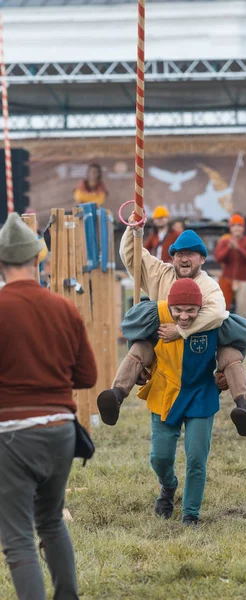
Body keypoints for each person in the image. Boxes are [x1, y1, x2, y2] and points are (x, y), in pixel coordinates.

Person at [0, 213, 97, 600]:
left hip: (12, 436)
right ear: (38, 258)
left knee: (18, 537)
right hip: (61, 431)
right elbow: (87, 376)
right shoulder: (64, 308)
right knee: (52, 521)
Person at [97, 220, 246, 437]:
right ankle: (116, 395)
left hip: (201, 353)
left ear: (202, 259)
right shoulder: (161, 273)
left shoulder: (209, 285)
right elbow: (132, 257)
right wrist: (134, 229)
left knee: (230, 356)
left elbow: (217, 313)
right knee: (139, 349)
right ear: (172, 258)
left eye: (191, 254)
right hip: (164, 353)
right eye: (179, 254)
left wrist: (180, 331)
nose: (184, 258)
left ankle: (245, 408)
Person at [115, 278, 246, 525]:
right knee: (160, 457)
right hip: (165, 391)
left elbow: (242, 340)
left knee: (196, 458)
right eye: (178, 310)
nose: (185, 316)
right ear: (170, 306)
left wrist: (224, 374)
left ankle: (191, 514)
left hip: (201, 394)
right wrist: (140, 372)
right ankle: (168, 487)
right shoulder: (156, 316)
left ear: (200, 308)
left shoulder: (214, 320)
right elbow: (134, 336)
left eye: (191, 310)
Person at [214, 214, 246, 321]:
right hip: (227, 279)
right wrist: (228, 249)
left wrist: (238, 249)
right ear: (230, 228)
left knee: (242, 312)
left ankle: (241, 336)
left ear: (243, 228)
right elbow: (218, 258)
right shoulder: (225, 241)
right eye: (234, 225)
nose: (237, 228)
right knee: (221, 310)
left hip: (244, 280)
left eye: (239, 225)